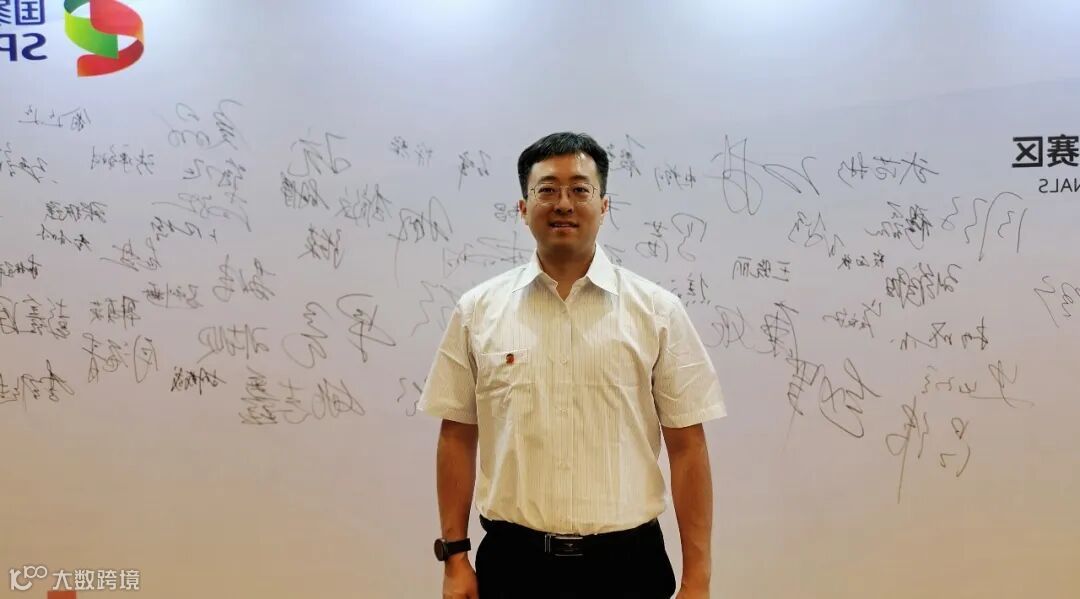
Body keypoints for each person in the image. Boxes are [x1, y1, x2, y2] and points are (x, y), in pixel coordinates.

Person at [420, 132, 726, 599]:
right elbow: (457, 436)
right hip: (513, 566)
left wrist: (697, 579)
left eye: (580, 189)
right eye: (547, 189)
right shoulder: (477, 311)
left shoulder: (657, 311)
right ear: (523, 207)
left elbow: (687, 448)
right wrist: (455, 558)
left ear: (604, 205)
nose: (563, 203)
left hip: (629, 567)